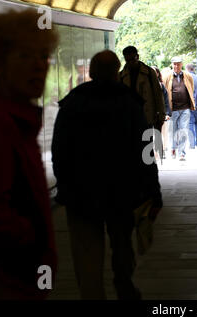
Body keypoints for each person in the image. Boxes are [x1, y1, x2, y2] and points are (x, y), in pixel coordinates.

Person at [51, 50, 163, 300]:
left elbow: (58, 150)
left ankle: (93, 294)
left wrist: (65, 186)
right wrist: (153, 192)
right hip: (121, 192)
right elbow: (146, 152)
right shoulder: (130, 103)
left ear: (90, 73)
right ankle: (123, 284)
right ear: (116, 72)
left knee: (86, 251)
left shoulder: (72, 103)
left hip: (81, 194)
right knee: (122, 244)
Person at [0, 9, 59, 299]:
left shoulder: (17, 119)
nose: (38, 66)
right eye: (25, 56)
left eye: (43, 57)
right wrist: (32, 242)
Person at [120, 46, 166, 157]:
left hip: (147, 116)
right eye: (128, 60)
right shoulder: (121, 75)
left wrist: (161, 116)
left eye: (133, 59)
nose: (130, 62)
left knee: (147, 147)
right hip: (129, 118)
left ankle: (148, 170)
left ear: (138, 56)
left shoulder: (149, 73)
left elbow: (158, 95)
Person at [163, 57, 195, 161]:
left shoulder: (187, 76)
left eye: (178, 64)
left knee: (184, 130)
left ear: (181, 64)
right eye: (174, 64)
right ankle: (173, 148)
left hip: (185, 108)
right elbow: (164, 92)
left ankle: (182, 153)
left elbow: (191, 88)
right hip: (173, 109)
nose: (176, 66)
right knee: (173, 131)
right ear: (172, 65)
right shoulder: (167, 77)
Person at [152, 66, 171, 159]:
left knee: (162, 133)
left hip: (161, 113)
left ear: (158, 73)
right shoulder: (146, 85)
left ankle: (161, 150)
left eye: (155, 72)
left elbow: (166, 100)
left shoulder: (161, 85)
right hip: (150, 113)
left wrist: (167, 113)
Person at [186, 63, 197, 148]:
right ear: (193, 69)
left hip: (189, 103)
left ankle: (192, 144)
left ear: (187, 69)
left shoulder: (186, 78)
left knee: (190, 123)